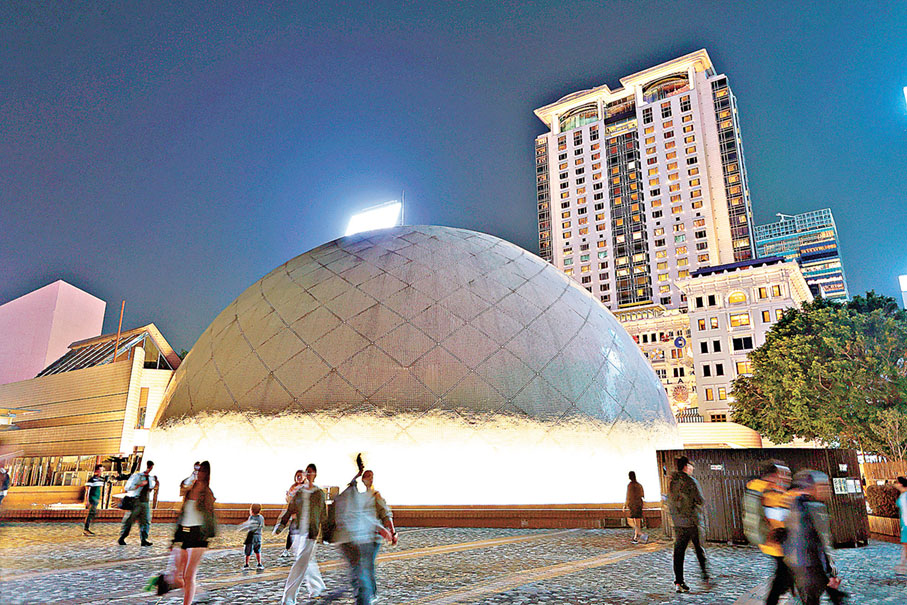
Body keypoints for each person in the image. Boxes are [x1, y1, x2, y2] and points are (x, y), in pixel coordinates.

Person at [784, 470, 845, 605]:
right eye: (823, 486)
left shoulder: (795, 504)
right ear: (812, 487)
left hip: (800, 567)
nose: (828, 490)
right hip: (811, 568)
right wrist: (830, 574)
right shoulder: (815, 508)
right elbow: (821, 544)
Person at [166, 460, 216, 605]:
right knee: (178, 576)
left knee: (188, 575)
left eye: (202, 471)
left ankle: (188, 601)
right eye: (198, 470)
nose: (199, 473)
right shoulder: (189, 490)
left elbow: (210, 517)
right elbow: (182, 515)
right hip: (184, 534)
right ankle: (198, 593)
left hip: (198, 536)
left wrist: (207, 534)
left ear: (206, 474)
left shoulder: (207, 493)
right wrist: (174, 540)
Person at [274, 463, 326, 605]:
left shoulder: (319, 493)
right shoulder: (300, 491)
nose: (308, 474)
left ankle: (288, 598)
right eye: (307, 472)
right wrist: (282, 524)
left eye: (311, 472)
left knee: (301, 562)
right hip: (297, 531)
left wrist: (326, 534)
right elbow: (290, 508)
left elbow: (323, 514)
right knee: (306, 561)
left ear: (315, 474)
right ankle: (317, 588)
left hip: (310, 533)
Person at [743, 460, 792, 605]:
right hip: (776, 540)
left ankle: (782, 593)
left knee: (784, 574)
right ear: (773, 475)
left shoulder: (769, 490)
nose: (785, 478)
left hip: (778, 540)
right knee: (782, 576)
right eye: (782, 474)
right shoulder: (765, 491)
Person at [668, 456, 709, 593]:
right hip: (691, 522)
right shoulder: (691, 481)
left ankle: (679, 582)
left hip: (678, 523)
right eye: (691, 466)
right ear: (686, 466)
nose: (692, 468)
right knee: (699, 549)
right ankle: (705, 576)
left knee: (678, 553)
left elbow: (670, 501)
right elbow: (700, 500)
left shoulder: (672, 482)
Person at [360, 469, 396, 602]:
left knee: (368, 564)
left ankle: (372, 593)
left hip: (375, 536)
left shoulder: (376, 496)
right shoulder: (360, 497)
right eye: (367, 477)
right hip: (363, 536)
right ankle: (368, 592)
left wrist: (392, 532)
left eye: (371, 477)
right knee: (364, 564)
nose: (370, 479)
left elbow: (386, 515)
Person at [118, 460, 157, 546]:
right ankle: (122, 537)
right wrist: (139, 485)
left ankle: (144, 539)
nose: (149, 469)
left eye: (150, 467)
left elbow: (150, 488)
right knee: (129, 521)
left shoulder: (150, 478)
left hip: (145, 502)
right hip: (136, 501)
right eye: (149, 466)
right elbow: (127, 487)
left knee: (146, 521)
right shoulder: (137, 476)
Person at [280, 470, 307, 558]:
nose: (298, 478)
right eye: (297, 476)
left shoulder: (306, 487)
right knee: (291, 532)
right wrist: (287, 496)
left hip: (303, 514)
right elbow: (289, 501)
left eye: (300, 476)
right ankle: (286, 550)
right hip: (294, 513)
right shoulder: (293, 487)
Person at [83, 464, 108, 535]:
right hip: (92, 498)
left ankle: (88, 528)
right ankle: (86, 529)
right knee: (91, 513)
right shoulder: (92, 479)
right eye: (100, 470)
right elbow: (87, 490)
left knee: (93, 513)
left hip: (97, 498)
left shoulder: (101, 479)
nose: (101, 472)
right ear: (97, 470)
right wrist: (86, 500)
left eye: (102, 470)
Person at [624, 471, 647, 544]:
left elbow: (628, 496)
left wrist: (625, 505)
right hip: (639, 504)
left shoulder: (630, 485)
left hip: (633, 504)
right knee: (637, 521)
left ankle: (640, 534)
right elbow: (642, 495)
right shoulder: (639, 485)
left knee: (630, 521)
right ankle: (636, 537)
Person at [242, 503, 265, 570]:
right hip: (258, 536)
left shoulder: (251, 517)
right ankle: (259, 563)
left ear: (251, 510)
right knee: (257, 550)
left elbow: (249, 526)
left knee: (248, 551)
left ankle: (246, 564)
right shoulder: (261, 517)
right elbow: (262, 525)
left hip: (251, 536)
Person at [894, 476, 907, 574]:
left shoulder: (904, 496)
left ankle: (902, 565)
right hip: (904, 524)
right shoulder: (902, 496)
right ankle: (902, 564)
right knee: (905, 546)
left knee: (905, 545)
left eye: (896, 482)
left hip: (906, 524)